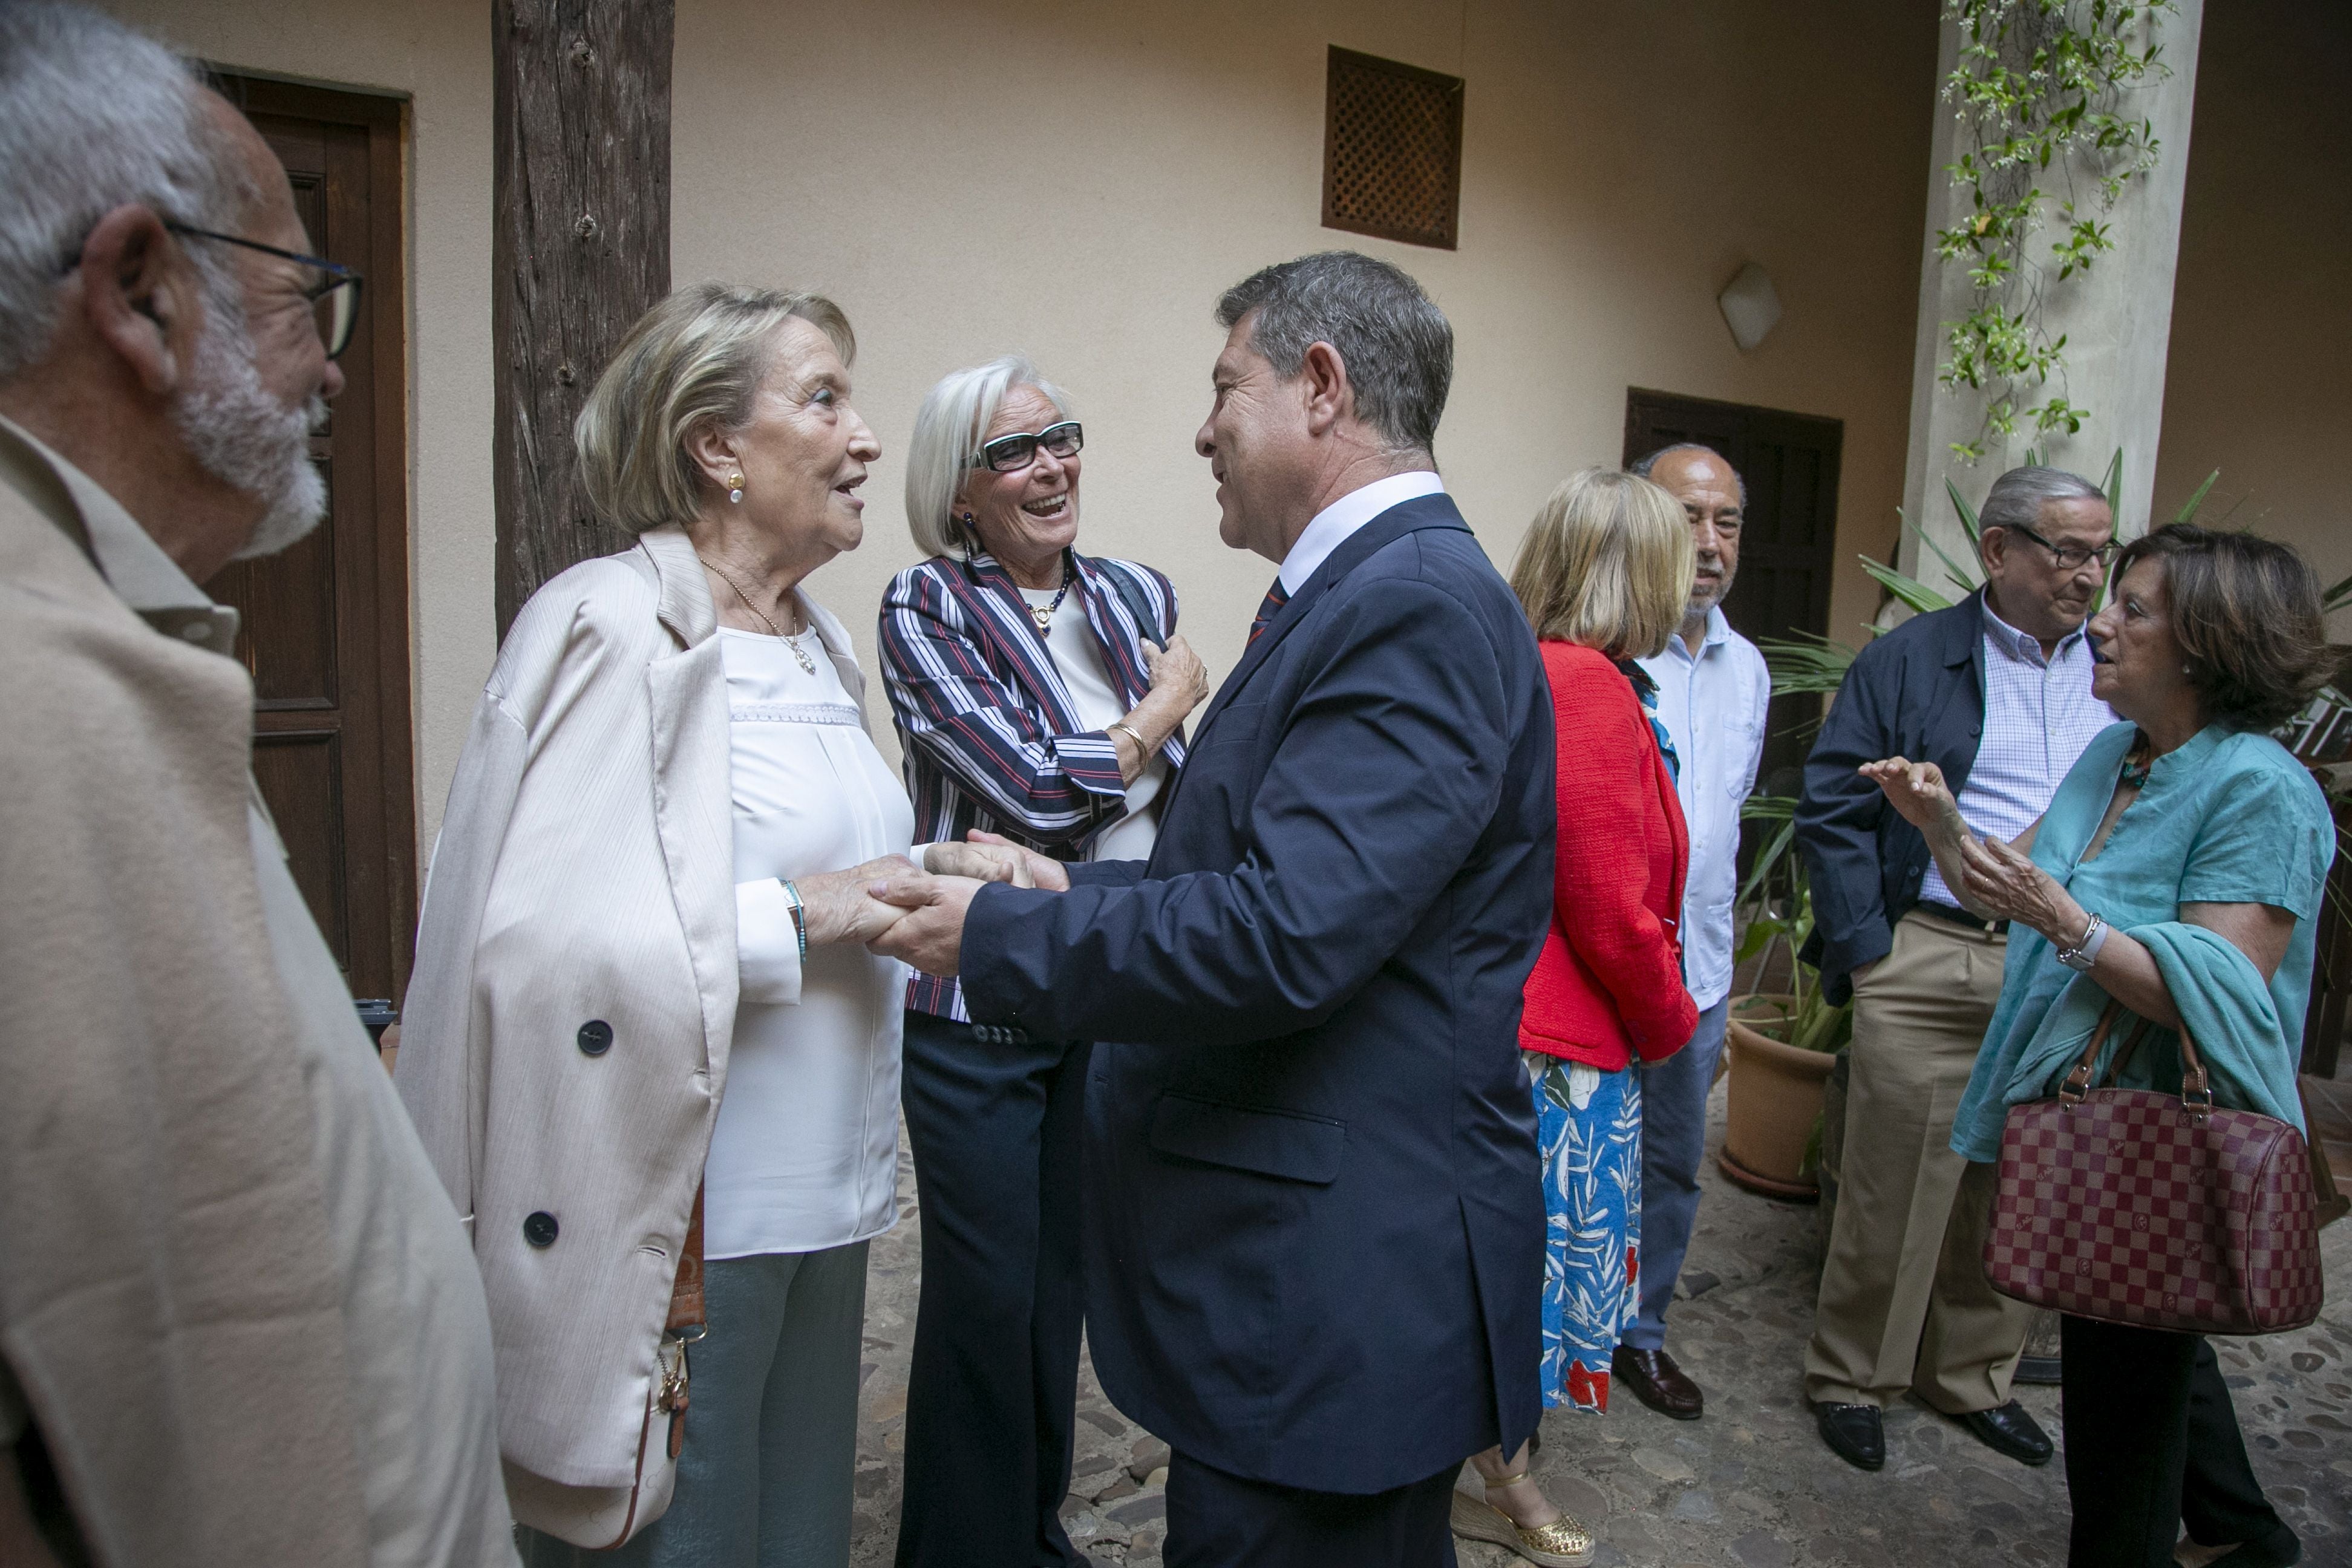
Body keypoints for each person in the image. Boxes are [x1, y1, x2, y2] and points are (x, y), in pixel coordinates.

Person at [871, 251, 1555, 1567]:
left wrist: (999, 933)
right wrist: (1066, 879)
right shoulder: (1373, 591)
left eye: (1223, 388)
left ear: (1320, 386)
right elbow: (1280, 881)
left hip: (1331, 1289)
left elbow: (1286, 936)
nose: (1198, 430)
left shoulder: (1409, 603)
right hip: (1310, 1279)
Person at [0, 5, 514, 1564]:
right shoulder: (29, 688)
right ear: (142, 293)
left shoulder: (117, 638)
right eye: (310, 303)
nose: (333, 374)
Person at [394, 284, 913, 1567]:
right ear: (716, 449)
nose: (865, 439)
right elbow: (539, 946)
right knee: (678, 1543)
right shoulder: (608, 626)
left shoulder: (818, 645)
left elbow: (811, 865)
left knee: (800, 1543)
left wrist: (936, 872)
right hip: (687, 1219)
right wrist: (810, 912)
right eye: (824, 399)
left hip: (831, 1201)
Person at [1864, 522, 2332, 1568]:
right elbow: (2010, 881)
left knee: (2122, 1407)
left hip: (2153, 1136)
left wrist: (2070, 925)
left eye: (2135, 608)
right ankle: (2250, 1533)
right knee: (2148, 1336)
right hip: (2085, 1112)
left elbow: (2213, 988)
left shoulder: (2260, 788)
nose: (2102, 621)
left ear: (2211, 644)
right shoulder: (2119, 752)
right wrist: (1938, 823)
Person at [878, 354, 1209, 1567]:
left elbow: (1178, 806)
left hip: (1108, 981)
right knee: (986, 1297)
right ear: (960, 491)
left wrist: (1128, 750)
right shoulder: (925, 606)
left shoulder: (1133, 590)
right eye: (1014, 451)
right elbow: (1027, 791)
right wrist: (1160, 711)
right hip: (975, 995)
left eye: (1060, 437)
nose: (1052, 465)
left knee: (1059, 1286)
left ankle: (1034, 1529)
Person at [1795, 465, 2119, 1472]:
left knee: (2014, 1183)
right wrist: (1871, 955)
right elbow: (1835, 806)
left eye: (2102, 554)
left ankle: (1972, 1376)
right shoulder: (1913, 658)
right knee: (1893, 1188)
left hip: (2063, 963)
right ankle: (1856, 1378)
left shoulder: (2120, 666)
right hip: (1933, 954)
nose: (2090, 578)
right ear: (1997, 551)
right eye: (2068, 551)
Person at [1452, 468, 1700, 1567]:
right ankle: (1496, 1478)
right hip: (1563, 1043)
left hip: (1532, 1028)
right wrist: (1671, 1021)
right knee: (1523, 1291)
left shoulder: (1542, 671)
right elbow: (1606, 900)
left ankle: (1486, 1468)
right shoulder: (1586, 685)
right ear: (1641, 573)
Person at [1621, 442, 1771, 1420]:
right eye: (1687, 519)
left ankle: (1641, 1336)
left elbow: (1723, 822)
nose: (1710, 545)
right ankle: (1539, 1347)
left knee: (1672, 1163)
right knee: (1558, 1156)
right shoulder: (1598, 654)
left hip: (1696, 976)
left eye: (1727, 524)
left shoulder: (1748, 668)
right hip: (1595, 969)